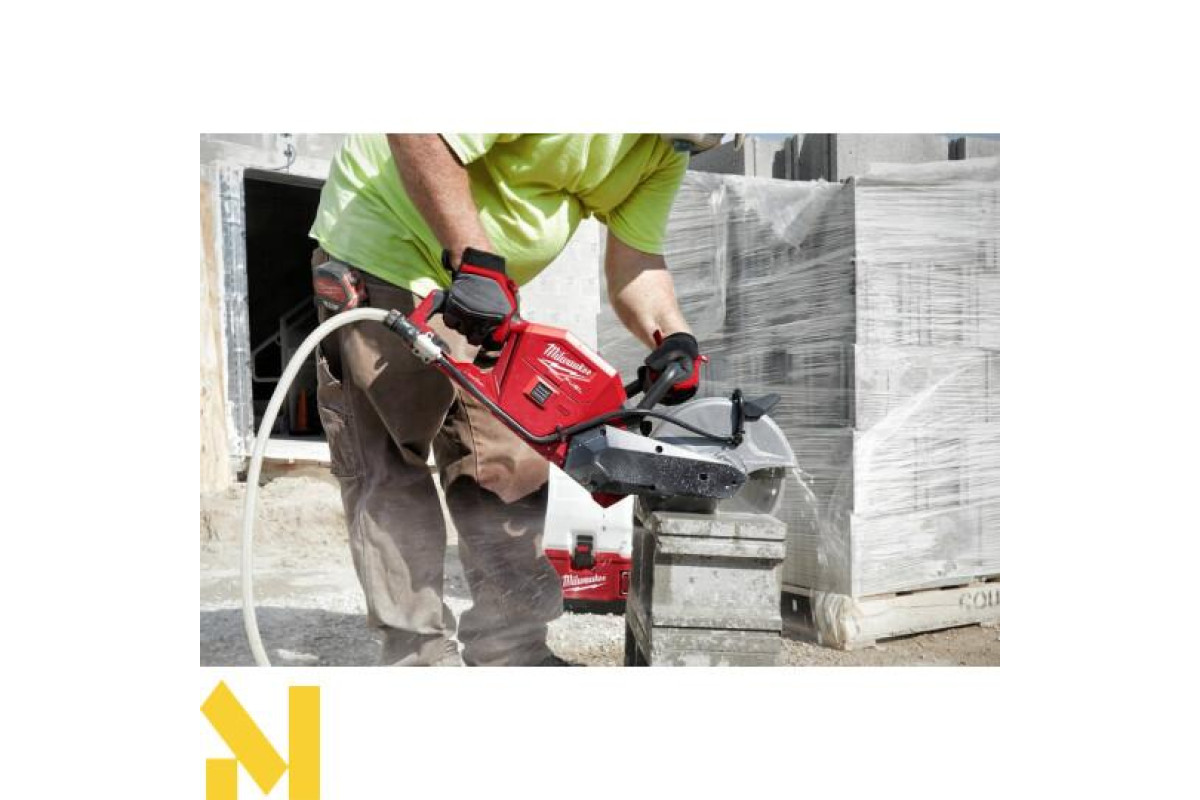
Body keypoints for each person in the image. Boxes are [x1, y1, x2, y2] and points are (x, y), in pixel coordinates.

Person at [308, 134, 719, 666]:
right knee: (390, 464)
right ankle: (418, 657)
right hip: (388, 246)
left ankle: (511, 651)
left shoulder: (666, 149)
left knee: (508, 463)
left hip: (481, 279)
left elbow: (636, 260)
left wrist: (673, 336)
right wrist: (475, 260)